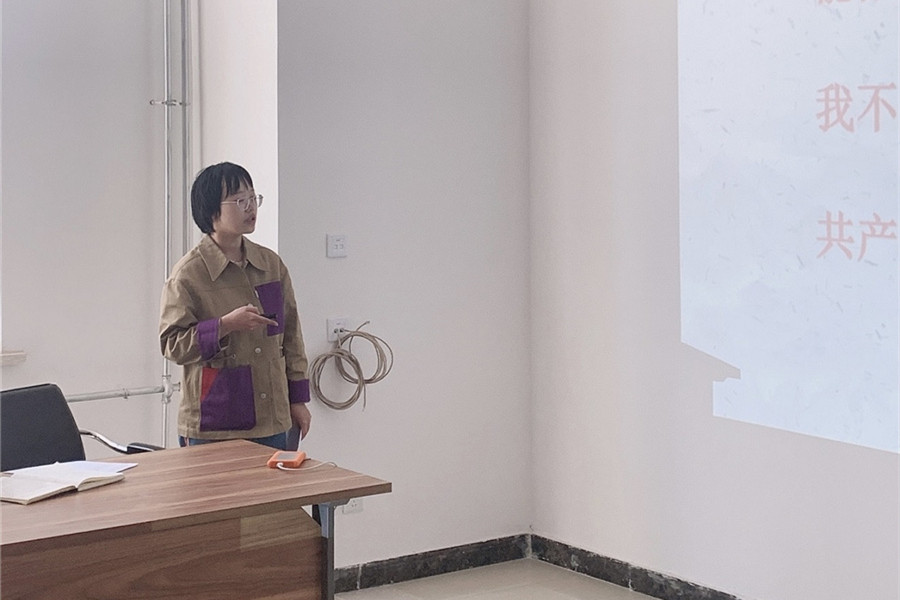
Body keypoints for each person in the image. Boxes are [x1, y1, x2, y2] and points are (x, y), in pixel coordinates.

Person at [159, 162, 311, 450]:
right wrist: (224, 325)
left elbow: (291, 336)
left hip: (273, 417)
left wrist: (298, 399)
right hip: (215, 422)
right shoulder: (188, 274)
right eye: (240, 200)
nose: (251, 207)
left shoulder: (270, 264)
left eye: (253, 198)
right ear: (211, 211)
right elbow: (172, 345)